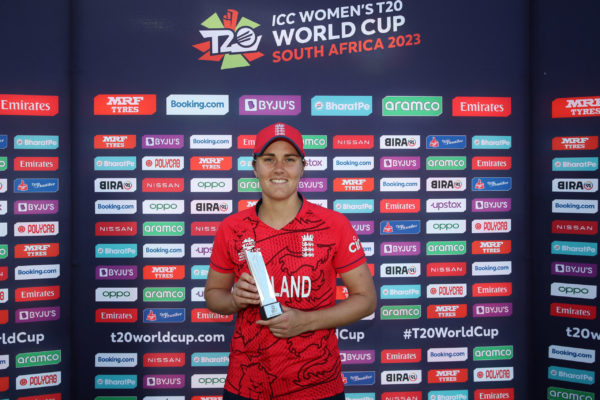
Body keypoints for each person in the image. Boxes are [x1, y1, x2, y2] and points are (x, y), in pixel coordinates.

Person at [205, 122, 377, 400]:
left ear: (302, 167)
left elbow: (366, 299)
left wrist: (305, 322)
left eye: (290, 159)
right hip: (247, 383)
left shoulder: (333, 225)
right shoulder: (232, 227)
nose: (279, 168)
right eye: (269, 159)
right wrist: (235, 300)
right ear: (255, 167)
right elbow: (213, 296)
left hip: (317, 384)